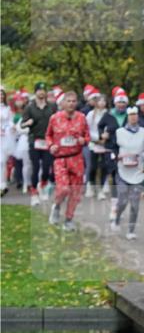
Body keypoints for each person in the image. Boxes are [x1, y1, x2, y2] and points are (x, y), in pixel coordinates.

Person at [44, 90, 90, 231]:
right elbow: (48, 135)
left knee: (75, 192)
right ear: (63, 103)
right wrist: (51, 145)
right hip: (60, 159)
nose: (71, 104)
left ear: (77, 103)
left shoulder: (82, 118)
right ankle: (57, 206)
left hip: (76, 158)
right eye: (68, 101)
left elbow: (87, 137)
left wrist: (84, 140)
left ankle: (69, 220)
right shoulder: (54, 118)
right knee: (63, 189)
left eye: (73, 101)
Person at [110, 106, 144, 239]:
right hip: (122, 171)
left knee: (135, 204)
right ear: (127, 117)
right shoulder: (119, 132)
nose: (133, 117)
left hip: (138, 172)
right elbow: (112, 149)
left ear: (138, 116)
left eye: (135, 115)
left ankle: (131, 231)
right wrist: (117, 157)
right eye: (131, 115)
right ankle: (117, 219)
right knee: (122, 200)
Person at [22, 82, 56, 205]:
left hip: (48, 141)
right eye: (39, 90)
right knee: (35, 167)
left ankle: (43, 185)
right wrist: (27, 123)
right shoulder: (29, 107)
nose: (41, 92)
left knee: (47, 167)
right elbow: (22, 124)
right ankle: (34, 193)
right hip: (34, 141)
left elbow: (58, 120)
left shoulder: (52, 106)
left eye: (43, 90)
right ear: (35, 92)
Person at [97, 90, 130, 203]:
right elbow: (100, 126)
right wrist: (102, 134)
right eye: (119, 102)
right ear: (115, 103)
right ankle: (114, 198)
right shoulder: (109, 114)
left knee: (123, 171)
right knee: (113, 170)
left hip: (125, 148)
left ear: (126, 104)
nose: (121, 105)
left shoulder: (130, 115)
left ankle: (122, 195)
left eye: (123, 102)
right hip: (111, 147)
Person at [84, 91, 107, 198]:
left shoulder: (108, 115)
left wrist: (106, 137)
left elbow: (111, 128)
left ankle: (101, 188)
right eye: (100, 101)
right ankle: (90, 185)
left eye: (104, 101)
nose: (102, 103)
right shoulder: (91, 114)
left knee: (104, 167)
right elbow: (87, 129)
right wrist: (97, 139)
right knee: (93, 166)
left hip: (105, 145)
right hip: (93, 145)